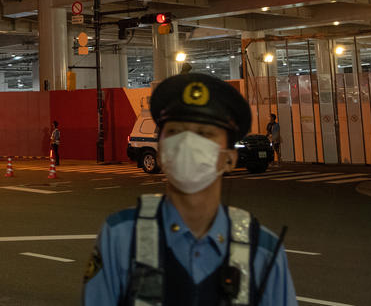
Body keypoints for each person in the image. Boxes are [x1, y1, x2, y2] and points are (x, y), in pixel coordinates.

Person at [82, 73, 296, 305]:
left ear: (229, 159)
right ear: (161, 152)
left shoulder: (264, 251)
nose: (188, 143)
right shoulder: (120, 237)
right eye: (175, 132)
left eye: (205, 134)